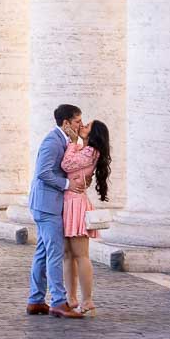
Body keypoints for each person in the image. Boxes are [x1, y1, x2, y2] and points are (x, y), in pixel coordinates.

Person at [26, 104, 86, 319]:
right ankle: (59, 302)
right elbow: (42, 173)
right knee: (55, 252)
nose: (80, 125)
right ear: (66, 123)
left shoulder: (64, 140)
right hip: (46, 205)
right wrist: (67, 184)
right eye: (78, 121)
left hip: (46, 204)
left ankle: (35, 300)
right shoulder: (53, 142)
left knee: (43, 252)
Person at [61, 119, 111, 316]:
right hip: (68, 203)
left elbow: (66, 163)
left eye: (87, 126)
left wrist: (72, 141)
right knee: (67, 255)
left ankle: (87, 299)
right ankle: (71, 298)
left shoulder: (91, 151)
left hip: (76, 204)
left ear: (93, 134)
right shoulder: (85, 149)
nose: (82, 126)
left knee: (80, 255)